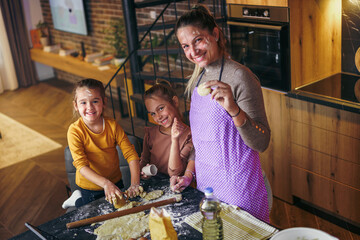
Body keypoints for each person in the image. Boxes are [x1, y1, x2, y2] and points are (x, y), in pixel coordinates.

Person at [170, 5, 271, 223]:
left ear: (215, 34)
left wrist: (234, 109)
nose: (192, 51)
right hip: (207, 190)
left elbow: (262, 142)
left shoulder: (240, 77)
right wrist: (189, 175)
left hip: (239, 193)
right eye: (185, 45)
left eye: (198, 40)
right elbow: (202, 143)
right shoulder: (197, 80)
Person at [62, 78, 141, 209]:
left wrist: (134, 184)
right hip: (90, 187)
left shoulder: (113, 125)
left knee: (118, 213)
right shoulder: (74, 131)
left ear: (104, 102)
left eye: (95, 101)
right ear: (76, 106)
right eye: (83, 102)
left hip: (115, 182)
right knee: (93, 212)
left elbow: (131, 154)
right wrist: (105, 184)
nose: (90, 107)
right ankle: (77, 198)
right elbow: (81, 166)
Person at [140, 81, 195, 188]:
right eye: (153, 113)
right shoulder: (150, 133)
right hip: (154, 188)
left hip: (176, 188)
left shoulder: (190, 135)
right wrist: (144, 174)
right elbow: (143, 162)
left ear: (175, 102)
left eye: (161, 108)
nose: (158, 117)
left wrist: (175, 140)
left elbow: (175, 173)